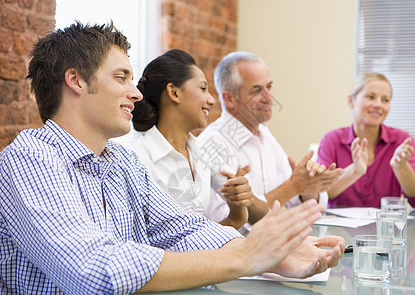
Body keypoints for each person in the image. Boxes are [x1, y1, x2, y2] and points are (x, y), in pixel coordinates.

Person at [0, 22, 345, 294]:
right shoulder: (30, 158)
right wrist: (245, 257)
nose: (135, 93)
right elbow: (95, 271)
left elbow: (183, 229)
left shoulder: (122, 162)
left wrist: (272, 255)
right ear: (74, 80)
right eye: (121, 77)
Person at [129, 49, 267, 230]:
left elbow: (260, 215)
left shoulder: (202, 151)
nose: (211, 100)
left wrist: (242, 198)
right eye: (203, 88)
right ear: (174, 93)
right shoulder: (137, 157)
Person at [198, 51, 343, 224]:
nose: (269, 97)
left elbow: (296, 203)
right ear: (229, 99)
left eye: (269, 87)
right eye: (257, 90)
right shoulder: (211, 144)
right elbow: (233, 223)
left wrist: (308, 188)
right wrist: (294, 186)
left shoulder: (264, 135)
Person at [316, 72, 415, 208]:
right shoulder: (332, 140)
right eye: (371, 97)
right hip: (339, 228)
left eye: (385, 100)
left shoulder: (402, 140)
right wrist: (354, 170)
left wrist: (402, 167)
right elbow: (320, 194)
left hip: (386, 226)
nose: (378, 104)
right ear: (351, 101)